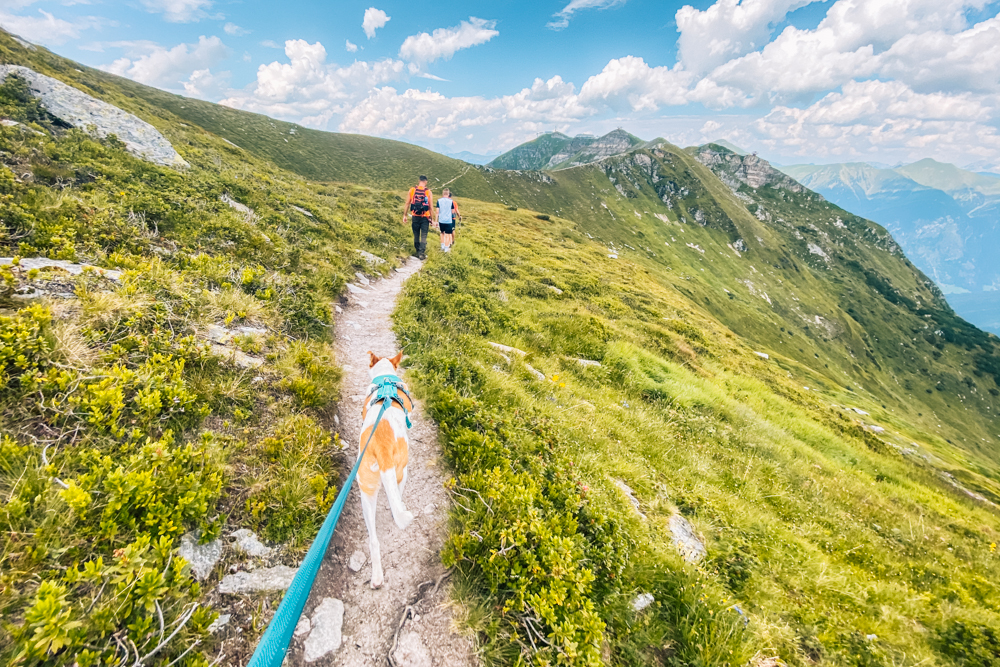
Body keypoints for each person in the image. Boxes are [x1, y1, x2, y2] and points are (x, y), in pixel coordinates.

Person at [403, 175, 433, 260]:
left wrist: (405, 215)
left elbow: (407, 203)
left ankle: (417, 250)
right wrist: (432, 219)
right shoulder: (428, 192)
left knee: (416, 234)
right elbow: (431, 207)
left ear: (419, 181)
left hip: (415, 216)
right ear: (426, 182)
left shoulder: (412, 190)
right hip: (425, 217)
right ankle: (421, 253)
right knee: (424, 235)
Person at [435, 187, 461, 253]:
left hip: (441, 220)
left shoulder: (439, 201)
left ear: (443, 193)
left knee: (442, 233)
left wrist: (435, 221)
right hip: (448, 221)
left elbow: (437, 211)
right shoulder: (451, 201)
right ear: (448, 194)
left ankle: (442, 246)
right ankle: (446, 249)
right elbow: (453, 212)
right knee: (447, 234)